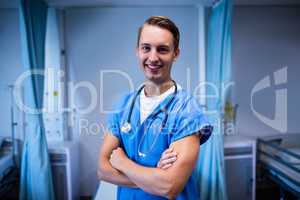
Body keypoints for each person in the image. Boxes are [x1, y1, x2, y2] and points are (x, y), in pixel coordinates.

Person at [97, 16, 212, 200]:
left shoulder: (187, 111)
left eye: (163, 49)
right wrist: (154, 175)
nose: (153, 57)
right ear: (137, 51)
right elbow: (103, 170)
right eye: (146, 48)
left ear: (176, 54)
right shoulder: (124, 105)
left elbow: (169, 186)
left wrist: (123, 162)